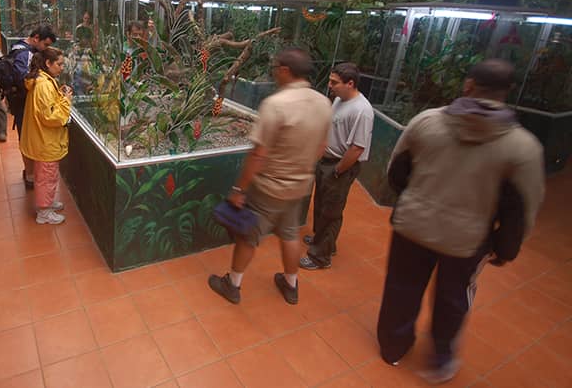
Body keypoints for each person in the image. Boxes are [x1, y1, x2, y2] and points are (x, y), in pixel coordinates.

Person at [376, 59, 544, 383]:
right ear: (507, 92)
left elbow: (396, 172)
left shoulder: (426, 122)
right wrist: (505, 249)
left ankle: (392, 347)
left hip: (413, 225)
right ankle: (440, 360)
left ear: (468, 85)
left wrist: (417, 199)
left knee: (401, 288)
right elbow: (520, 209)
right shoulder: (523, 147)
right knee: (454, 299)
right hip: (466, 241)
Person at [207, 48, 332, 305]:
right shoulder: (323, 103)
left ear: (285, 70)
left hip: (268, 189)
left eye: (275, 68)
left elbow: (259, 155)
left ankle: (232, 284)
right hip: (300, 186)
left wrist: (239, 189)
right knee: (289, 234)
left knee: (248, 236)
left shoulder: (276, 104)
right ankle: (290, 284)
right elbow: (322, 147)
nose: (274, 72)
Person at [300, 62, 374, 270]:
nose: (330, 85)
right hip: (327, 161)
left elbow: (357, 148)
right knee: (323, 205)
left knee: (331, 211)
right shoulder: (340, 100)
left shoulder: (362, 110)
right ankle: (322, 241)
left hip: (340, 166)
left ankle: (320, 257)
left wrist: (339, 170)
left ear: (350, 83)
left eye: (335, 82)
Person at [19, 47, 73, 225]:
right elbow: (50, 116)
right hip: (45, 140)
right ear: (48, 64)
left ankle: (47, 203)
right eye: (59, 64)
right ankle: (44, 211)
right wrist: (66, 101)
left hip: (42, 138)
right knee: (46, 176)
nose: (62, 67)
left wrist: (60, 96)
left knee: (47, 175)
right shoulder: (43, 85)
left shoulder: (43, 81)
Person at [7, 24, 58, 189]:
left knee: (27, 138)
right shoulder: (25, 54)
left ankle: (30, 173)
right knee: (27, 139)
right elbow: (24, 79)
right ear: (36, 38)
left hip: (23, 103)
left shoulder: (19, 48)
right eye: (46, 44)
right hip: (24, 104)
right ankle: (30, 175)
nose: (46, 48)